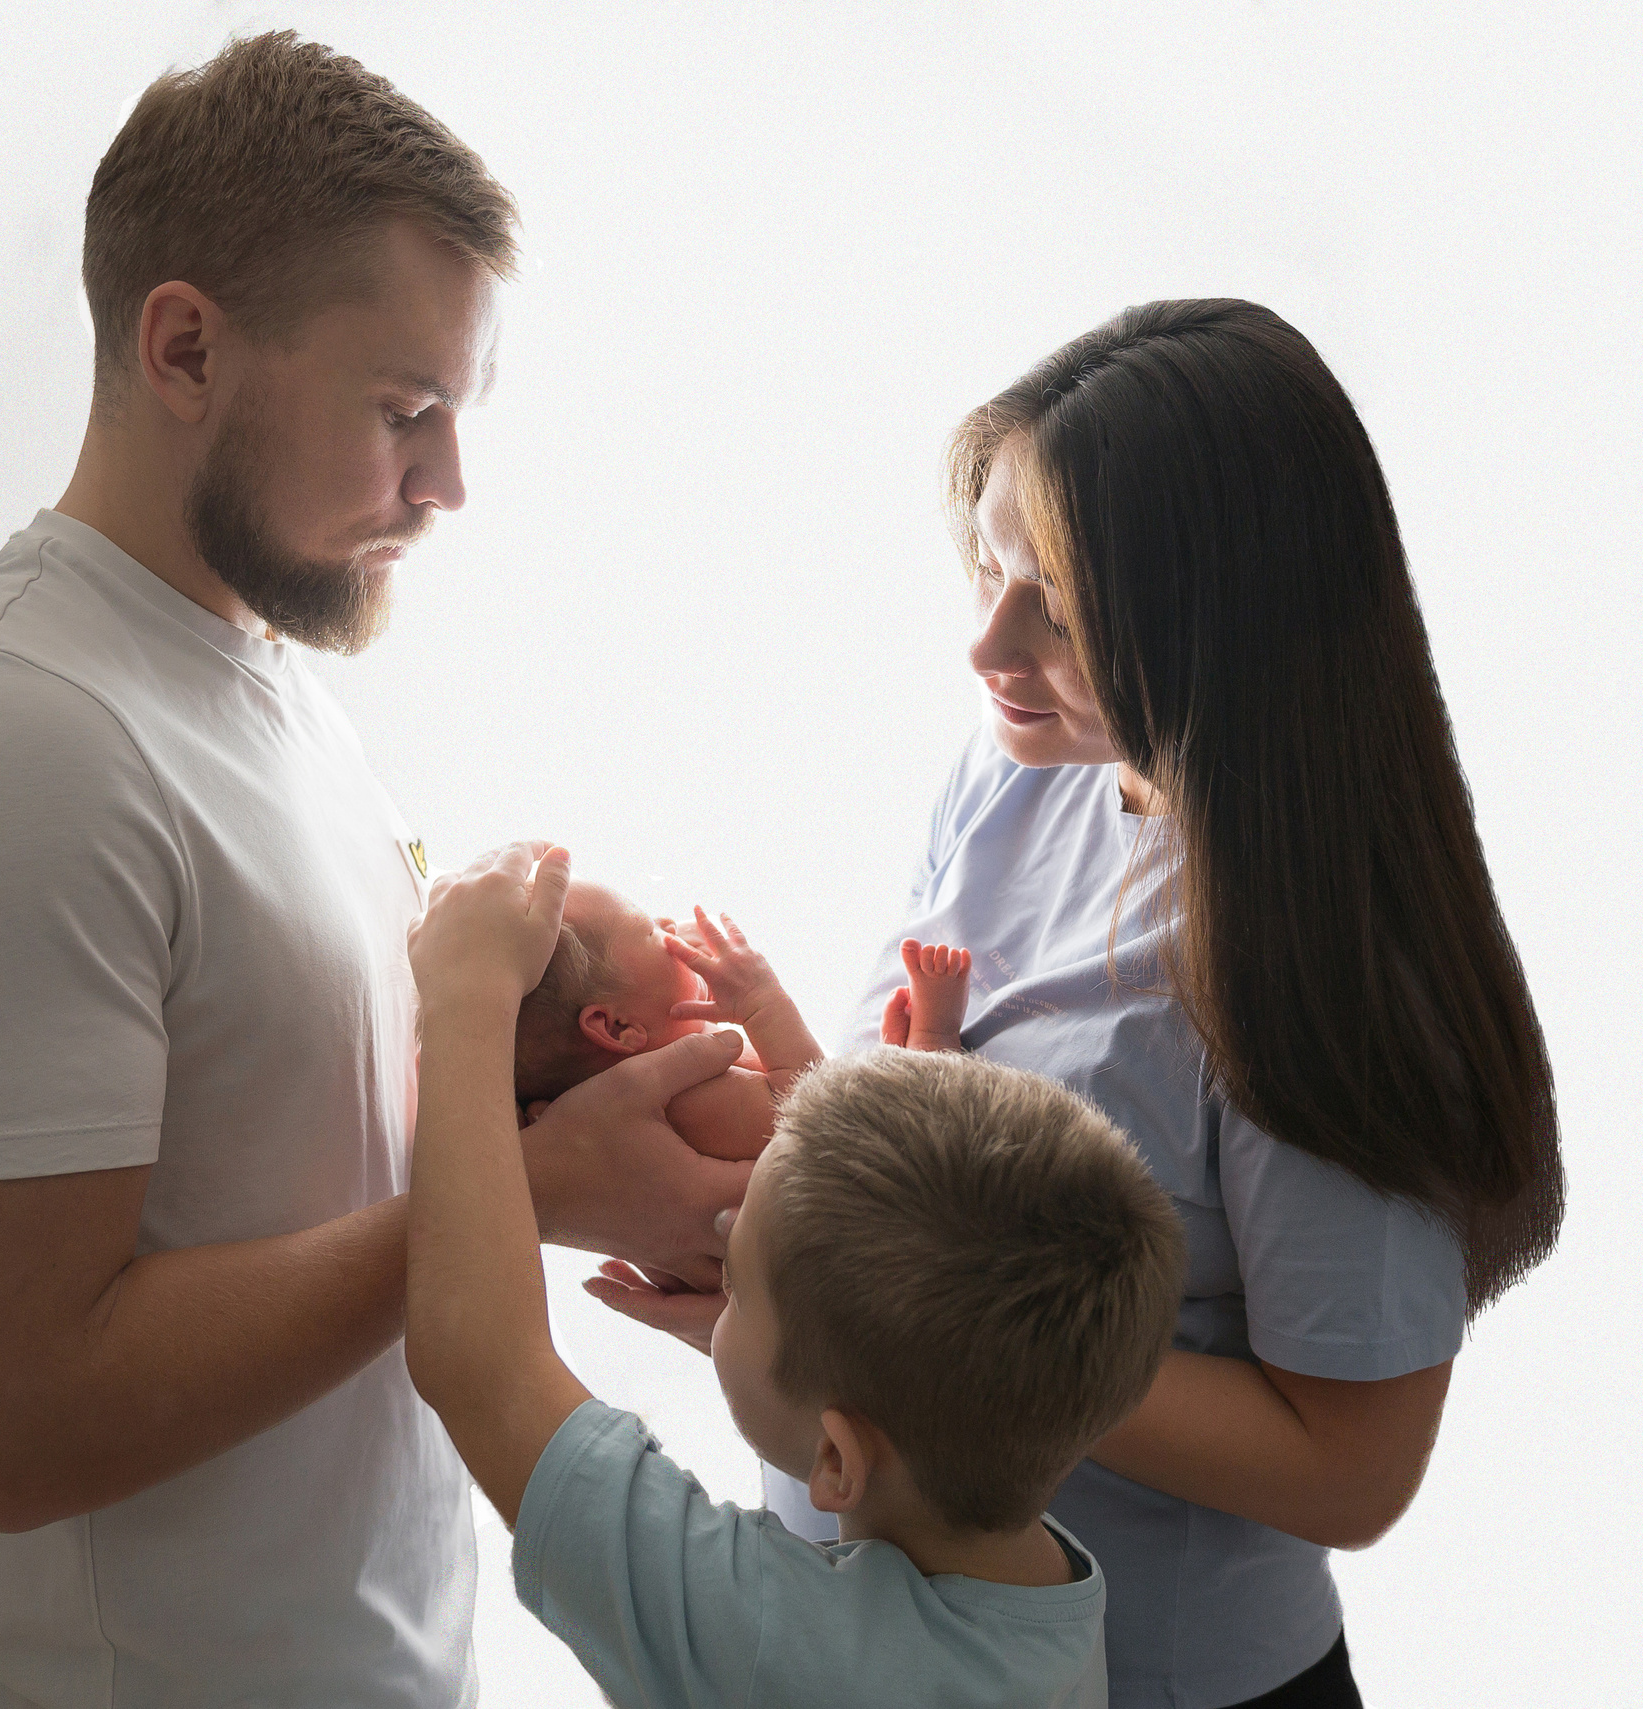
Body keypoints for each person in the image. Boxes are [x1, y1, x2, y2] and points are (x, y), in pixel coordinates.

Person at [0, 34, 749, 1707]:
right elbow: (21, 1420)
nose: (450, 484)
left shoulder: (279, 698)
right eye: (409, 409)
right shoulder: (7, 736)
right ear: (184, 347)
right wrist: (522, 1197)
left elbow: (300, 1171)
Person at [595, 300, 1566, 1708]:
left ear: (1222, 623)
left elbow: (1349, 1470)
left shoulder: (1329, 973)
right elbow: (918, 1168)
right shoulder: (1017, 774)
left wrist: (922, 1351)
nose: (989, 644)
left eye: (1056, 601)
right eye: (989, 568)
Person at [404, 843, 1191, 1709]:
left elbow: (479, 1365)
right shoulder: (1045, 1586)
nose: (721, 1254)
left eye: (734, 1279)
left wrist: (468, 997)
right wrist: (799, 1336)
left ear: (835, 1456)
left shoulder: (774, 1643)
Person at [512, 883, 975, 1160]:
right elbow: (827, 1120)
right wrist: (761, 1002)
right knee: (927, 1130)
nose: (670, 924)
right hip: (904, 1169)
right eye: (652, 932)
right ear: (616, 1028)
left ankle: (898, 1068)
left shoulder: (632, 1099)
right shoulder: (686, 1104)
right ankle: (933, 1047)